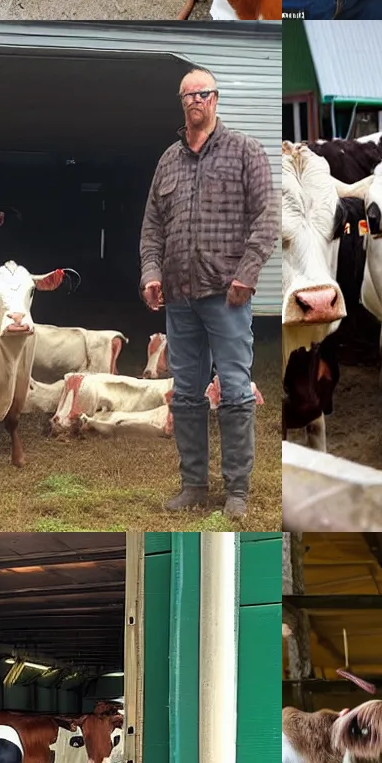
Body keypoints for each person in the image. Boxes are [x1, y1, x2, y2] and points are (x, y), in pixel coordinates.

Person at [139, 69, 277, 521]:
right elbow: (152, 229)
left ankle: (237, 490)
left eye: (201, 94)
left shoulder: (245, 151)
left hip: (226, 295)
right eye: (186, 96)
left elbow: (266, 220)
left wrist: (247, 275)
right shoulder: (168, 161)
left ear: (215, 99)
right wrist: (151, 273)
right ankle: (193, 485)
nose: (193, 101)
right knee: (186, 395)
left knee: (236, 391)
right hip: (179, 298)